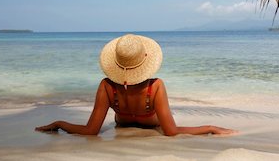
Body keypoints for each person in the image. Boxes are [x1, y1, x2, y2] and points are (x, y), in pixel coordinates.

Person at [35, 34, 236, 136]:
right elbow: (171, 132)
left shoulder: (106, 85)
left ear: (116, 62)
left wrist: (60, 123)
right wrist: (210, 127)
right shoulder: (155, 86)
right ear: (146, 59)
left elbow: (91, 130)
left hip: (121, 123)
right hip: (153, 124)